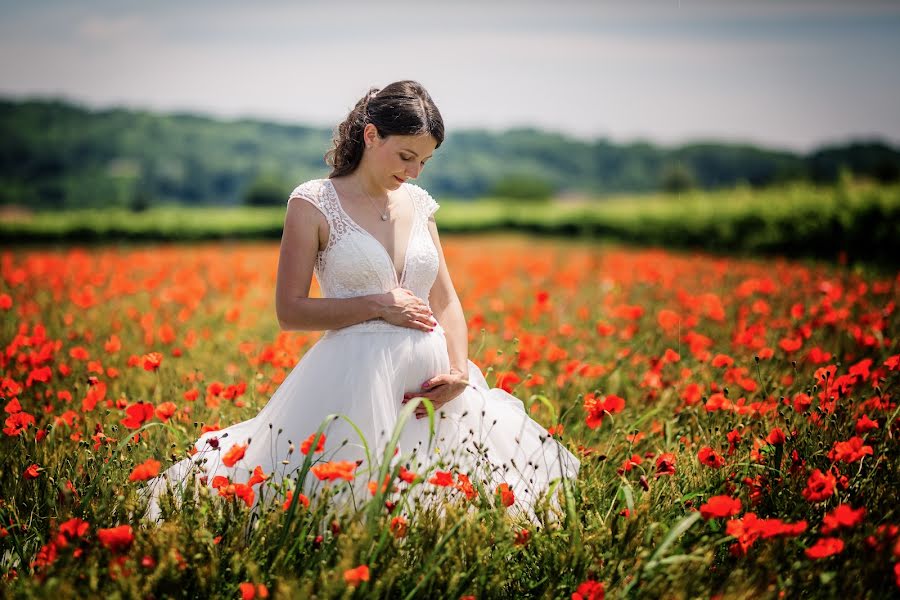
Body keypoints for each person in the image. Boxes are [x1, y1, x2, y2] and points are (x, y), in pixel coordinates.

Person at [140, 80, 580, 527]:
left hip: (434, 386)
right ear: (371, 136)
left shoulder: (421, 205)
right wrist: (378, 305)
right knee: (345, 508)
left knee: (450, 510)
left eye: (424, 161)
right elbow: (290, 311)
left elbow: (446, 301)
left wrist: (460, 372)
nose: (414, 172)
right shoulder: (312, 203)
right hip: (354, 381)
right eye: (406, 157)